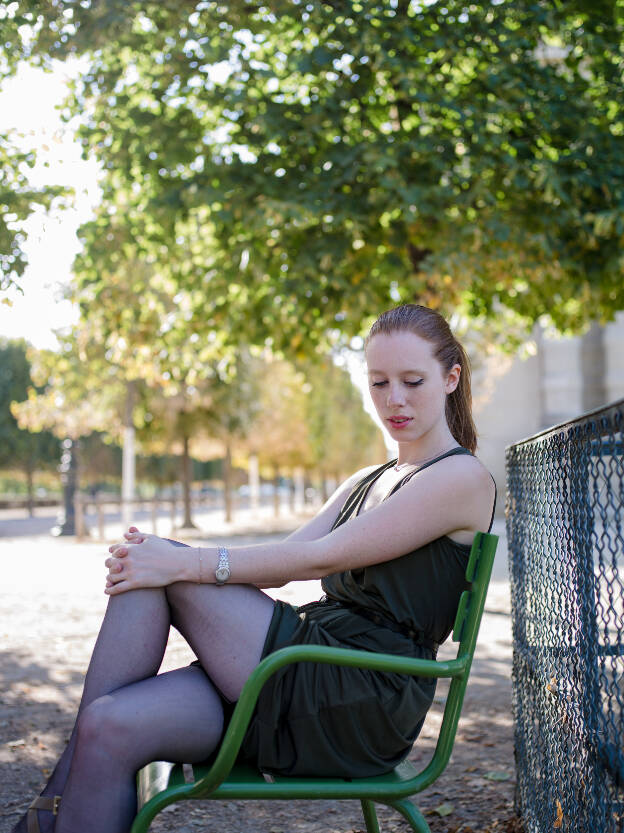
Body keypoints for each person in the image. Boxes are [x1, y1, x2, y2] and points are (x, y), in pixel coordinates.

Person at [15, 303, 496, 833]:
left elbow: (322, 558)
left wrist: (183, 560)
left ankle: (49, 806)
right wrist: (170, 561)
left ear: (451, 378)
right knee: (108, 727)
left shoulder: (460, 478)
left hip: (360, 695)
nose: (394, 399)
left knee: (159, 561)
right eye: (379, 382)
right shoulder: (371, 477)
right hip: (303, 667)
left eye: (412, 381)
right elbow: (275, 570)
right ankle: (56, 801)